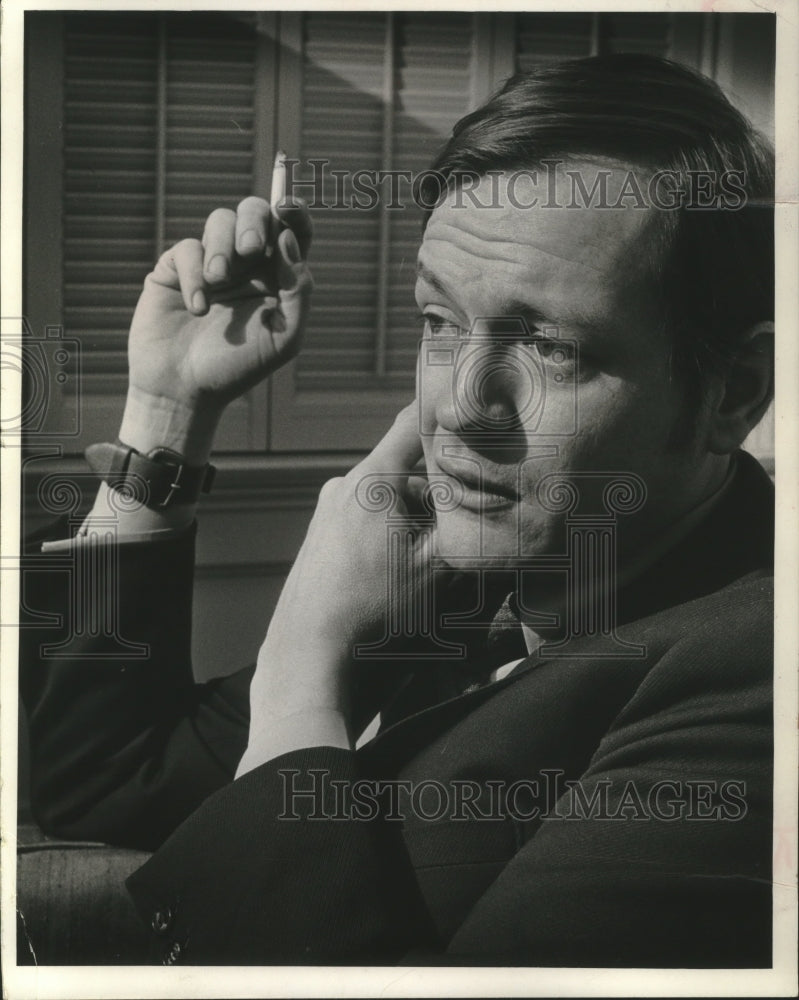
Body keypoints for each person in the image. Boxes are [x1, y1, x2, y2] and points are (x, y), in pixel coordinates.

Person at [20, 54, 774, 967]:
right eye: (438, 321)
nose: (457, 408)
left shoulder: (755, 687)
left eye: (546, 344)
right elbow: (106, 783)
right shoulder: (474, 571)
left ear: (735, 391)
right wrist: (170, 413)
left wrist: (303, 674)